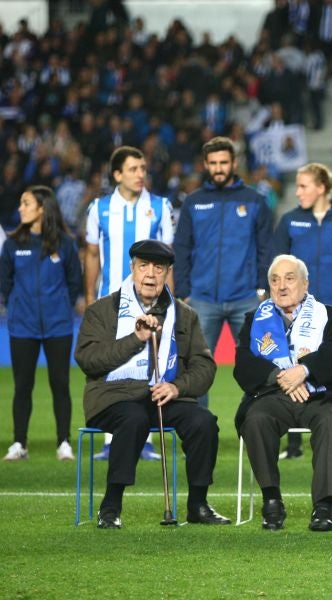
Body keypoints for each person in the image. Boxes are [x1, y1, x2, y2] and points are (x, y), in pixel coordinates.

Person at [74, 240, 229, 528]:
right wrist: (136, 339)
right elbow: (88, 360)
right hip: (112, 397)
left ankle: (198, 504)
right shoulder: (102, 310)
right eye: (143, 266)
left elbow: (204, 366)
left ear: (168, 273)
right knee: (132, 418)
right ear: (132, 269)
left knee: (203, 422)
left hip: (164, 397)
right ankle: (110, 507)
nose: (150, 274)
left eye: (158, 268)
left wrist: (177, 387)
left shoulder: (184, 314)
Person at [233, 255, 332, 532]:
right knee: (256, 420)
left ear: (305, 283)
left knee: (331, 420)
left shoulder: (330, 315)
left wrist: (305, 371)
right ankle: (271, 501)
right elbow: (242, 364)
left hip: (320, 396)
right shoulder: (255, 319)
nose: (281, 286)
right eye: (274, 280)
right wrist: (280, 376)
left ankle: (324, 506)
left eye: (289, 278)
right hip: (271, 396)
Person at [85, 146, 175, 461]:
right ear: (117, 174)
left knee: (150, 366)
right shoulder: (100, 208)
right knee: (111, 366)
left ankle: (145, 438)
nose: (140, 174)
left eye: (143, 168)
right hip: (110, 302)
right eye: (133, 169)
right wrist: (88, 298)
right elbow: (93, 254)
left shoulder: (161, 207)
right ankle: (111, 438)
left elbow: (168, 261)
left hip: (150, 301)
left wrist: (170, 303)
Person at [174, 136, 273, 408]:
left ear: (234, 163)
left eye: (224, 163)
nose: (218, 168)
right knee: (197, 369)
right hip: (202, 299)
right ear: (206, 164)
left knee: (257, 367)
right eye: (213, 163)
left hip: (246, 299)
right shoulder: (194, 202)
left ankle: (253, 425)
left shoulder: (255, 201)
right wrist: (183, 293)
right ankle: (199, 433)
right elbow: (181, 249)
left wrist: (263, 290)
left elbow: (267, 249)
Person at [273, 162, 332, 460]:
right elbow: (276, 267)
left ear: (321, 187)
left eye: (303, 186)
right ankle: (294, 442)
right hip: (296, 310)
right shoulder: (289, 221)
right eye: (297, 186)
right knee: (294, 366)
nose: (297, 192)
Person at [1, 186, 81, 461]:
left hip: (58, 326)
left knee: (60, 384)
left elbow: (74, 284)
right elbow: (5, 283)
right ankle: (19, 444)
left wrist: (59, 307)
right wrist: (18, 308)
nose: (20, 208)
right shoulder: (12, 244)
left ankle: (64, 443)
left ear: (42, 209)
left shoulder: (65, 244)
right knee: (22, 386)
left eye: (26, 203)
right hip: (23, 327)